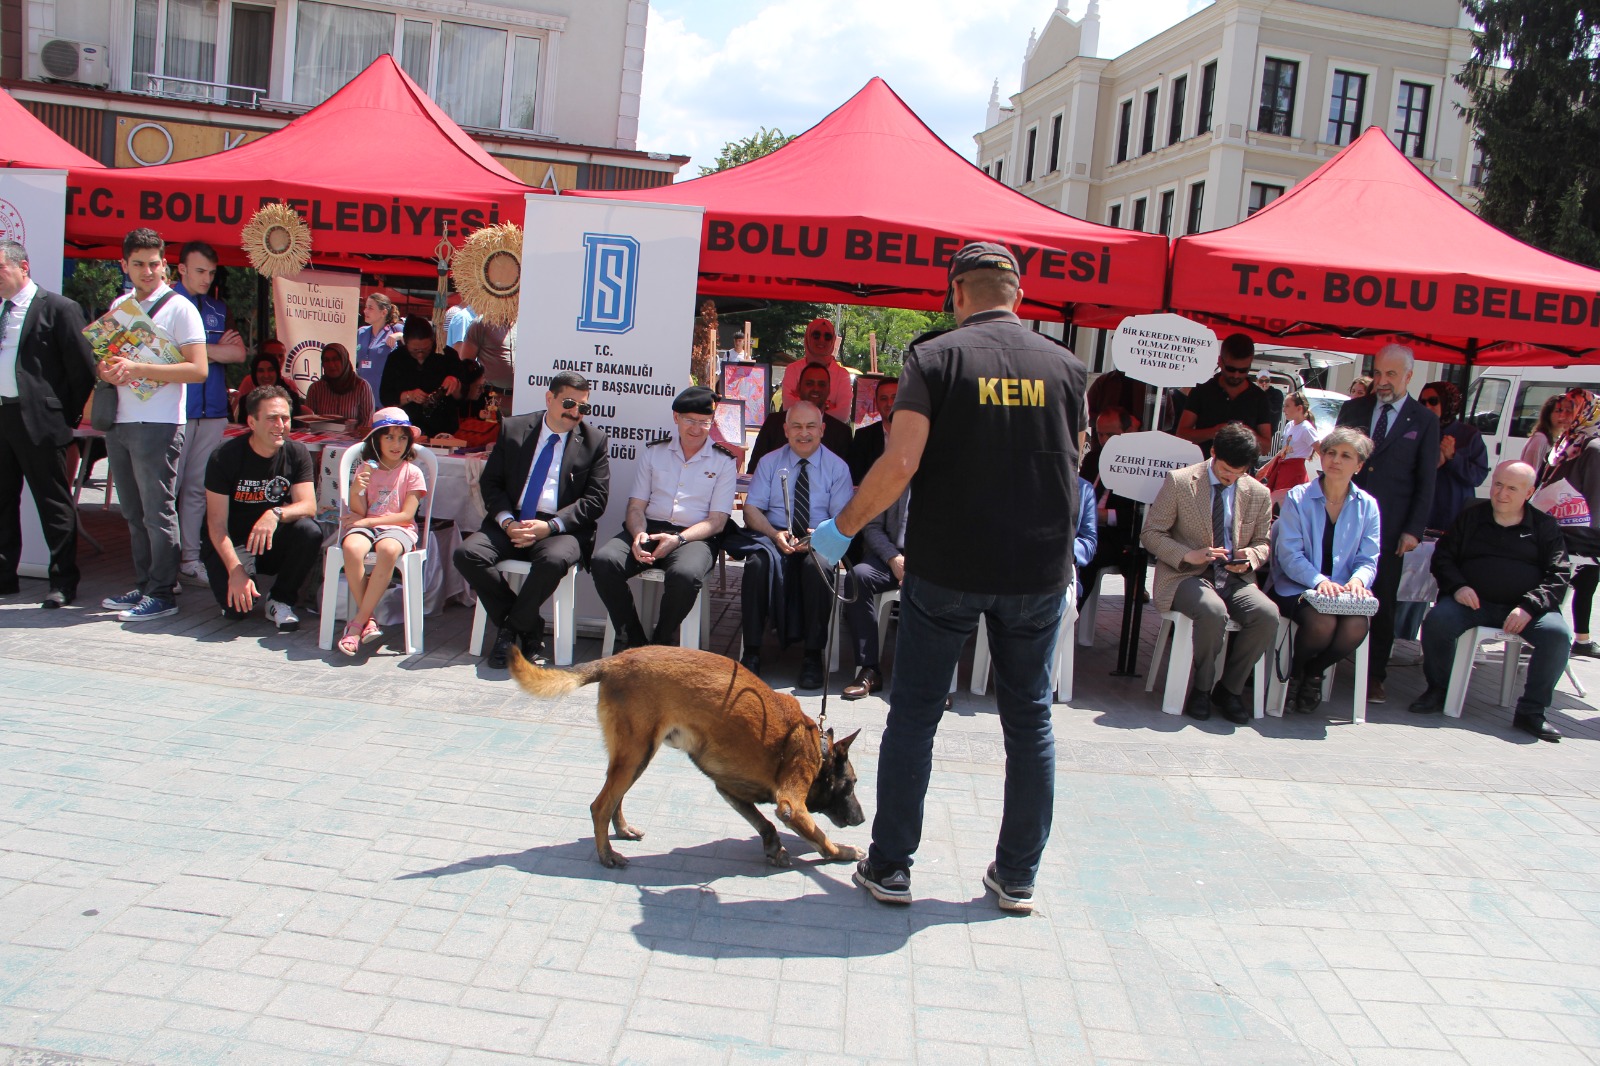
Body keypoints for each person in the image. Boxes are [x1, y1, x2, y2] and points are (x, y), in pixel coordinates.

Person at [807, 242, 1087, 913]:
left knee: (915, 719)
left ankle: (892, 867)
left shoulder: (934, 358)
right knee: (1030, 724)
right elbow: (1071, 463)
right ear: (1017, 294)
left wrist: (842, 527)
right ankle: (1017, 876)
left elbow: (900, 462)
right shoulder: (1070, 367)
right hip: (1037, 569)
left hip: (949, 565)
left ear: (957, 293)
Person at [453, 371, 610, 669]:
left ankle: (510, 631)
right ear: (549, 398)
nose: (575, 412)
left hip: (560, 529)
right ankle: (528, 626)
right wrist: (508, 522)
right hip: (512, 521)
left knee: (552, 561)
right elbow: (492, 485)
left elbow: (595, 501)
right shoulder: (514, 429)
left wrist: (549, 527)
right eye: (568, 403)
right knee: (467, 554)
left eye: (583, 407)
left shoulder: (594, 441)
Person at [1410, 461, 1571, 742]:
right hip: (1472, 604)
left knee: (1558, 635)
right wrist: (1457, 586)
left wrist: (1530, 606)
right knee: (1437, 621)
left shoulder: (1544, 526)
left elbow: (1559, 574)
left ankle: (1532, 711)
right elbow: (1443, 557)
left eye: (1512, 488)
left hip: (1526, 609)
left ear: (1529, 492)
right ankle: (1439, 689)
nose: (1502, 493)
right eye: (1498, 484)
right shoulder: (1470, 518)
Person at [97, 228, 208, 623]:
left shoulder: (180, 308)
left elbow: (198, 369)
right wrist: (108, 371)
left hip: (159, 421)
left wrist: (138, 367)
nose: (148, 271)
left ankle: (163, 590)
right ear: (124, 265)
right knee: (132, 510)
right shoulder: (120, 303)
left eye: (154, 263)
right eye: (139, 264)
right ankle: (145, 583)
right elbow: (105, 356)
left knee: (157, 511)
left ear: (164, 264)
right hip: (120, 419)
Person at [1142, 421, 1278, 724]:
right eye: (1226, 471)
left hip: (1234, 575)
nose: (1230, 479)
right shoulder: (1180, 481)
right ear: (1213, 452)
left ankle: (1229, 690)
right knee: (1212, 610)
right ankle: (1201, 688)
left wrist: (1249, 558)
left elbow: (1263, 542)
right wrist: (1188, 554)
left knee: (1267, 615)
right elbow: (1151, 533)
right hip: (1186, 574)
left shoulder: (1257, 492)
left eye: (1238, 474)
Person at [591, 385, 738, 649]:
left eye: (704, 422)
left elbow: (717, 520)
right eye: (689, 420)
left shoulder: (723, 461)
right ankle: (633, 637)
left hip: (694, 536)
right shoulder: (654, 452)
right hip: (649, 528)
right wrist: (638, 535)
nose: (696, 428)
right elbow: (636, 506)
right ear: (676, 418)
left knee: (685, 575)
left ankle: (661, 640)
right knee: (604, 561)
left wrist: (679, 539)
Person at [1336, 343, 1439, 703]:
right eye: (1378, 373)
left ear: (1409, 376)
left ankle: (1374, 674)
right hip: (1344, 518)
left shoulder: (1424, 421)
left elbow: (1426, 481)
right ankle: (1322, 662)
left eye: (1391, 374)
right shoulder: (1354, 409)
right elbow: (1336, 463)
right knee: (1333, 589)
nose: (1382, 381)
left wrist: (1413, 530)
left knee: (1381, 600)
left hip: (1392, 527)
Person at [0, 238, 96, 607]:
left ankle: (63, 580)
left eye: (1, 268)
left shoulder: (58, 308)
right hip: (3, 416)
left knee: (53, 502)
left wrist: (63, 414)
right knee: (3, 501)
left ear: (23, 267)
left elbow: (83, 370)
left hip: (40, 421)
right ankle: (5, 575)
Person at [739, 400, 853, 688]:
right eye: (797, 427)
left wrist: (819, 537)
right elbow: (751, 510)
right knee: (756, 565)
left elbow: (843, 519)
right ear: (786, 430)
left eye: (811, 426)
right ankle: (751, 652)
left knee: (819, 569)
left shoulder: (838, 468)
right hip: (774, 536)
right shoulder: (769, 462)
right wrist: (774, 533)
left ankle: (812, 655)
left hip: (818, 539)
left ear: (822, 430)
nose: (804, 433)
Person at [1268, 427, 1381, 713]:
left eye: (1346, 455)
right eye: (1330, 453)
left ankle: (1312, 673)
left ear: (1359, 465)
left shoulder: (1368, 506)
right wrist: (1318, 581)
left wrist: (1357, 580)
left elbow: (1369, 558)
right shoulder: (1298, 497)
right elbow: (1289, 554)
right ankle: (1295, 673)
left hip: (1343, 591)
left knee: (1357, 625)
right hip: (1296, 586)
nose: (1335, 460)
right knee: (1323, 622)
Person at [201, 385, 320, 632]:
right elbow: (216, 524)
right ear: (252, 422)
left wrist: (275, 513)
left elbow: (309, 506)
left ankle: (280, 599)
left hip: (268, 539)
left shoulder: (297, 452)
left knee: (309, 531)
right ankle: (242, 578)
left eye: (285, 418)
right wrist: (236, 570)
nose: (280, 424)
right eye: (271, 418)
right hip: (231, 541)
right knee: (236, 611)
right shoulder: (224, 456)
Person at [172, 241, 247, 589]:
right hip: (174, 410)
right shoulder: (166, 305)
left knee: (195, 491)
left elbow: (238, 354)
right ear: (181, 268)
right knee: (166, 490)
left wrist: (196, 353)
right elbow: (167, 355)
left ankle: (189, 558)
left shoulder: (218, 307)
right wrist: (213, 352)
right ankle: (162, 565)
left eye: (212, 272)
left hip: (214, 410)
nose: (207, 278)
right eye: (200, 270)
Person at [335, 408, 429, 656]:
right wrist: (356, 490)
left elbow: (407, 515)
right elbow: (359, 510)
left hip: (398, 528)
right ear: (376, 439)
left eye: (402, 437)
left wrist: (367, 522)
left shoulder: (413, 472)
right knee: (351, 547)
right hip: (369, 524)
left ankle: (356, 626)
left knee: (388, 549)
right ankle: (369, 619)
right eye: (389, 437)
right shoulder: (366, 468)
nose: (396, 443)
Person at [1540, 389, 1600, 659]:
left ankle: (1569, 637)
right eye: (1560, 409)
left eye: (1570, 409)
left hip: (1579, 536)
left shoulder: (1593, 447)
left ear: (1587, 412)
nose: (1562, 415)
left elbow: (1595, 501)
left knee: (1576, 583)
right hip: (1556, 529)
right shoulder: (1567, 442)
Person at [378, 315, 481, 439]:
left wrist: (455, 383)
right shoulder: (396, 358)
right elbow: (386, 397)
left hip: (443, 430)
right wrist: (409, 395)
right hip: (406, 430)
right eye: (415, 350)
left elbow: (464, 396)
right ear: (405, 341)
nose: (420, 354)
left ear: (433, 341)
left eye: (425, 349)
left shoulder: (447, 355)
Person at [1077, 407, 1141, 607]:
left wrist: (1106, 516)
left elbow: (1139, 515)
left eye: (1111, 434)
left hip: (1116, 536)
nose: (1104, 440)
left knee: (1087, 557)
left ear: (1128, 432)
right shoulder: (1093, 458)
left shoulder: (1139, 465)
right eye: (1100, 434)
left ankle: (1073, 613)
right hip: (1086, 528)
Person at [1176, 333, 1273, 456]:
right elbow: (1181, 435)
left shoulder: (1259, 397)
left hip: (1241, 472)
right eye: (1231, 369)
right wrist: (1214, 432)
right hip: (1204, 468)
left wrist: (1245, 432)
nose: (1236, 375)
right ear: (1220, 361)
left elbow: (1265, 448)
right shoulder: (1202, 390)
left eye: (1243, 370)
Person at [749, 361, 852, 471]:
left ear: (829, 390)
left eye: (821, 384)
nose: (816, 389)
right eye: (809, 383)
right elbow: (754, 471)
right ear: (798, 388)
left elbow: (848, 482)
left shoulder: (842, 433)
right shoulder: (774, 424)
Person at [1422, 380, 1489, 532]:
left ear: (1446, 403)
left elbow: (1478, 476)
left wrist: (1453, 457)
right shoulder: (1416, 431)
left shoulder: (1469, 435)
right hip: (1422, 511)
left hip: (1454, 511)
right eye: (1422, 401)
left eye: (1433, 401)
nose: (1427, 406)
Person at [779, 317, 852, 419]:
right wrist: (826, 407)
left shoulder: (842, 375)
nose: (822, 340)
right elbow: (788, 407)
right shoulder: (793, 369)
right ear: (808, 337)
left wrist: (802, 404)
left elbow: (843, 415)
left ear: (833, 340)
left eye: (827, 336)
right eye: (816, 335)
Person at [1263, 389, 1325, 500]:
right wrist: (1267, 466)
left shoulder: (1306, 429)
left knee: (1287, 502)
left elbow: (1321, 451)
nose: (1284, 410)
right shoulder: (1289, 425)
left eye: (1287, 406)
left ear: (1299, 408)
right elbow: (1284, 450)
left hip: (1295, 471)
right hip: (1283, 469)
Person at [302, 343, 375, 431]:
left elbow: (367, 422)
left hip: (353, 441)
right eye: (326, 360)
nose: (331, 364)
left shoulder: (362, 387)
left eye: (335, 359)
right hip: (320, 441)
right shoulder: (315, 389)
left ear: (344, 360)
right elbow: (308, 422)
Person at [847, 377, 897, 484]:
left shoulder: (919, 435)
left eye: (895, 397)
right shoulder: (863, 437)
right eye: (883, 398)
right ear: (876, 403)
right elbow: (856, 480)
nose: (889, 403)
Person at [355, 292, 403, 399]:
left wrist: (399, 336)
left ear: (383, 312)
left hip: (385, 396)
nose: (365, 311)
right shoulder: (361, 332)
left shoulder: (396, 329)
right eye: (366, 307)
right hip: (362, 395)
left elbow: (412, 343)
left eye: (370, 308)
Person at [233, 351, 302, 424]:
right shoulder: (245, 401)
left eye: (271, 370)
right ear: (254, 375)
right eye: (261, 371)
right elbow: (243, 428)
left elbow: (295, 427)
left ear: (277, 373)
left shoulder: (292, 398)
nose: (266, 375)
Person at [1522, 392, 1575, 473]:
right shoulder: (1540, 439)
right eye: (1558, 411)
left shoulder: (1561, 439)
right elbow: (1530, 473)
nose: (1563, 416)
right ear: (1548, 414)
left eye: (1568, 411)